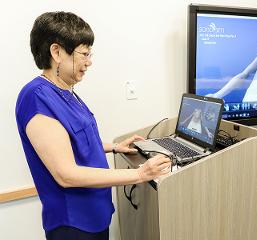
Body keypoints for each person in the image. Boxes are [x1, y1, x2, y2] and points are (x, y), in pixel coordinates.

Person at [15, 12, 171, 240]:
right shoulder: (37, 97)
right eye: (84, 54)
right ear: (57, 52)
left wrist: (114, 146)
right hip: (73, 224)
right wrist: (140, 174)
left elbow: (75, 141)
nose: (89, 62)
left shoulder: (66, 91)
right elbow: (66, 174)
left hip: (95, 214)